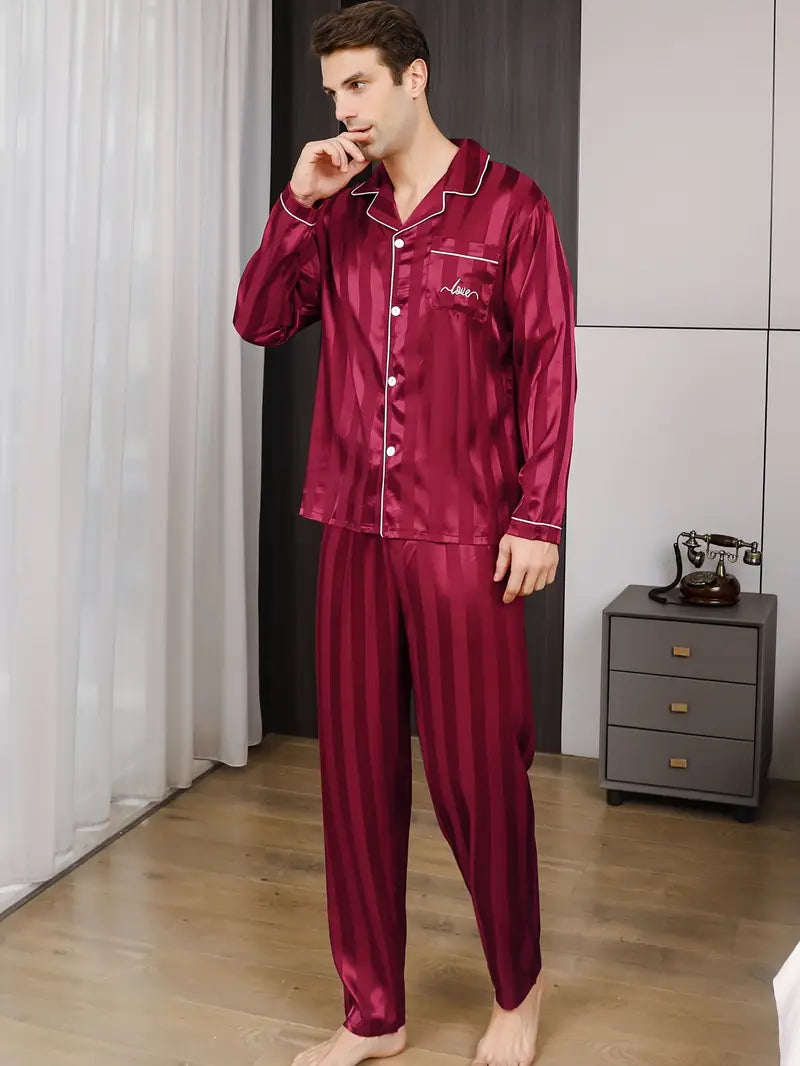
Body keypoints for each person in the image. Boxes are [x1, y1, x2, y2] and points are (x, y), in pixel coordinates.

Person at [233, 3, 576, 1064]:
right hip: (351, 523)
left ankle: (516, 989)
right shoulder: (337, 209)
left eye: (359, 85)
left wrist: (538, 515)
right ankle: (371, 1012)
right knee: (356, 778)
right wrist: (296, 203)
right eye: (332, 90)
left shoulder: (510, 205)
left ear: (413, 78)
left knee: (478, 776)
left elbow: (548, 368)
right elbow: (259, 320)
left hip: (463, 532)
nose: (344, 108)